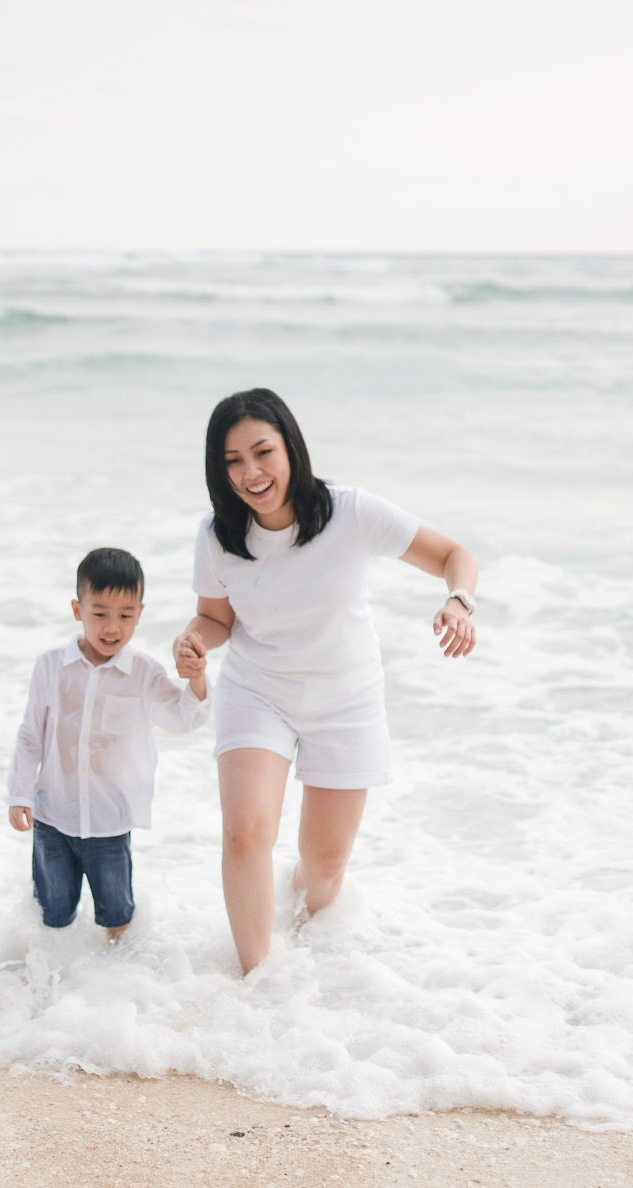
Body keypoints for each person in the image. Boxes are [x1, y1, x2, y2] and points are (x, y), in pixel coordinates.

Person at [173, 388, 477, 973]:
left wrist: (459, 603)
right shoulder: (218, 536)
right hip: (258, 691)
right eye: (232, 461)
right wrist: (194, 643)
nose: (251, 473)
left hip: (345, 697)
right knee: (244, 834)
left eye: (263, 452)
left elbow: (454, 555)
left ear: (291, 446)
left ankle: (307, 933)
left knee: (324, 868)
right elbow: (215, 620)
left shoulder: (350, 512)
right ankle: (257, 980)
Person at [8, 547, 209, 941]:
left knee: (117, 915)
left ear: (140, 612)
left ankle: (114, 983)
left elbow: (185, 718)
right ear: (77, 609)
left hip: (109, 821)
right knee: (52, 914)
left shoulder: (143, 673)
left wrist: (197, 678)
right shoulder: (51, 666)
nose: (112, 627)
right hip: (53, 816)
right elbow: (31, 733)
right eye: (99, 613)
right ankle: (49, 985)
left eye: (126, 615)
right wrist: (20, 794)